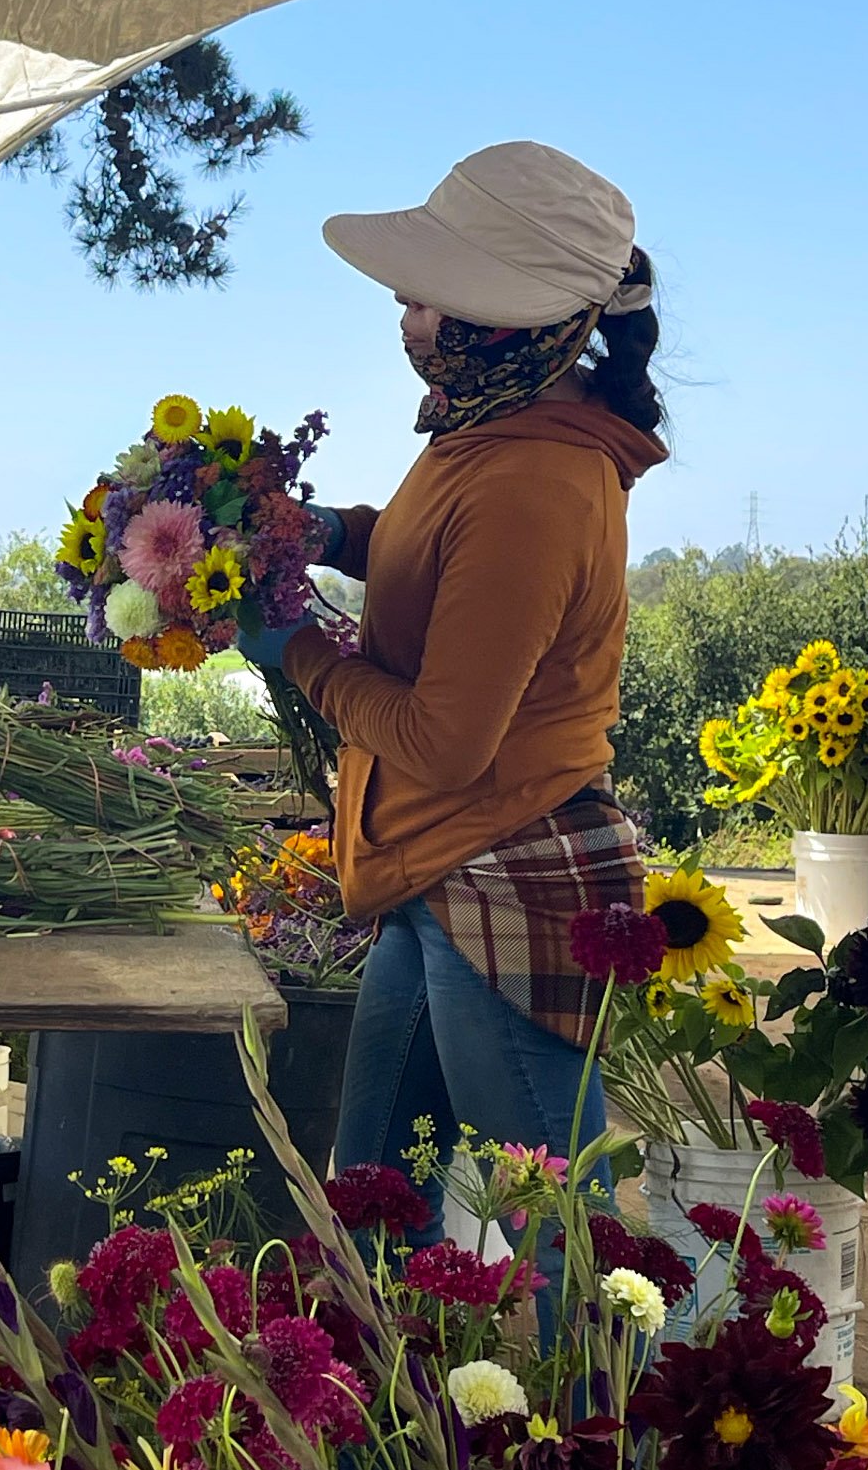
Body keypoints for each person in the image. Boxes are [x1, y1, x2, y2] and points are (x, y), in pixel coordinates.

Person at [238, 141, 669, 1333]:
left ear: (506, 318)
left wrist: (293, 651)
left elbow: (445, 737)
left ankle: (614, 1425)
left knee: (562, 1232)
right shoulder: (484, 431)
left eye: (427, 293)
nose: (403, 309)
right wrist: (325, 531)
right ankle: (390, 1407)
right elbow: (438, 566)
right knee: (376, 1191)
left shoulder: (534, 477)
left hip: (499, 868)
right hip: (441, 870)